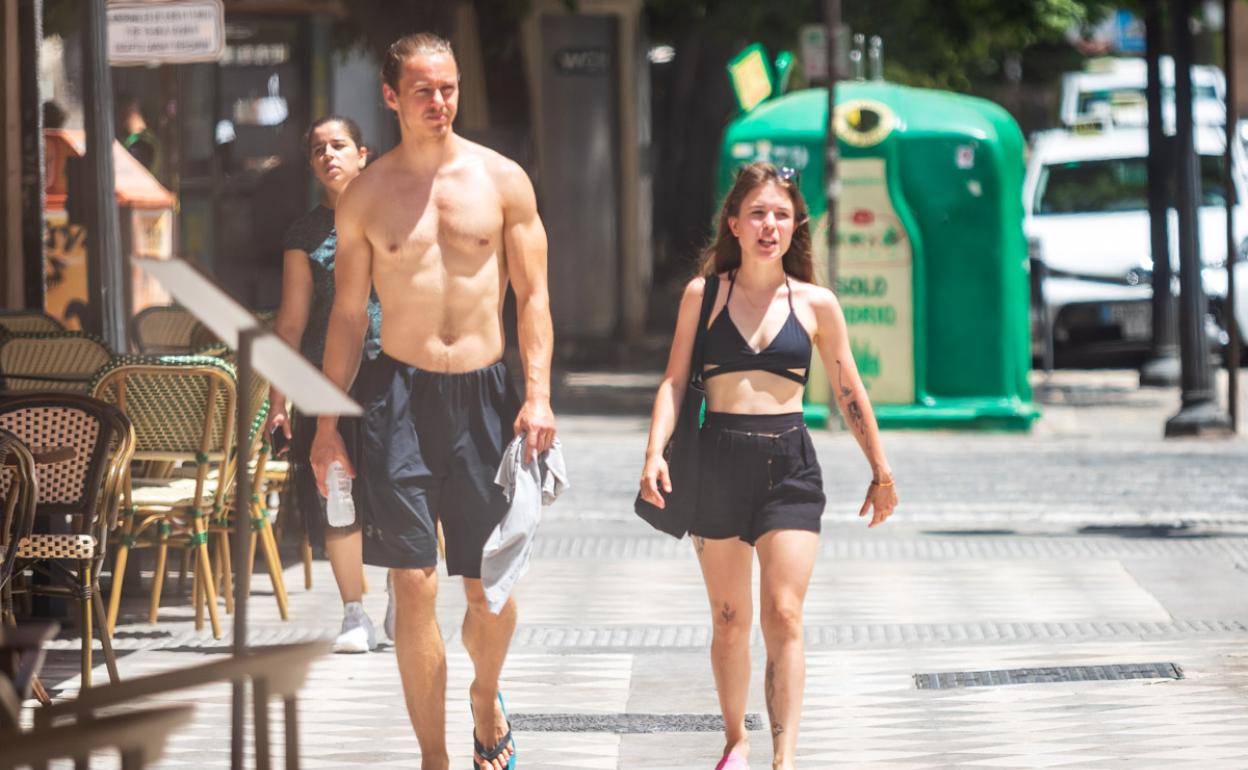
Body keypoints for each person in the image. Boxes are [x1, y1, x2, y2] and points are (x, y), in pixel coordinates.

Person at [310, 33, 555, 770]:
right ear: (391, 96)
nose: (439, 101)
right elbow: (347, 316)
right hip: (399, 397)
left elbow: (533, 296)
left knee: (488, 592)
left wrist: (538, 395)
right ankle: (433, 759)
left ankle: (485, 695)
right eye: (423, 89)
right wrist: (328, 425)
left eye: (448, 87)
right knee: (413, 585)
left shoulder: (503, 181)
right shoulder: (367, 195)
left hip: (486, 399)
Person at [638, 162, 899, 770]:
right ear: (734, 223)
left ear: (794, 226)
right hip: (716, 464)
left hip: (790, 467)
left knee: (783, 612)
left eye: (781, 215)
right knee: (730, 619)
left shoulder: (816, 304)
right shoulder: (705, 296)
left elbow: (850, 391)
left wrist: (881, 472)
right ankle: (737, 741)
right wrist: (654, 453)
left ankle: (785, 757)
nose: (769, 225)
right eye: (757, 213)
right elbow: (674, 382)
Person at [266, 114, 382, 653]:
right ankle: (354, 611)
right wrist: (277, 402)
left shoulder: (393, 215)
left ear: (363, 154)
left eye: (339, 145)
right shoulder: (304, 233)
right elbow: (290, 323)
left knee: (400, 489)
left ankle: (404, 598)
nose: (328, 155)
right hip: (323, 378)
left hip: (391, 371)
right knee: (337, 493)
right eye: (318, 149)